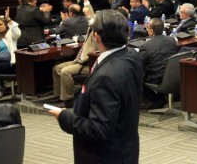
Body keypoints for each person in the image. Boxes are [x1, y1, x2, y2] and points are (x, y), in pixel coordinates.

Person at [48, 9, 144, 164]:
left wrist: (64, 116)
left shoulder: (106, 77)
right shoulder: (131, 56)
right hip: (125, 147)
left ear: (96, 36)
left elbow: (98, 130)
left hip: (104, 156)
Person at [51, 3, 97, 107]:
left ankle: (68, 99)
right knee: (56, 68)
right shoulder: (90, 30)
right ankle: (58, 95)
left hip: (86, 63)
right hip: (79, 59)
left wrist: (88, 12)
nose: (89, 18)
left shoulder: (98, 33)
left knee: (65, 72)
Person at [139, 18, 178, 109]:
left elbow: (138, 63)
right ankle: (160, 98)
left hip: (156, 78)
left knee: (136, 76)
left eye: (148, 28)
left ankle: (157, 100)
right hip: (172, 75)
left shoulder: (145, 46)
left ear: (152, 30)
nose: (147, 30)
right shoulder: (172, 40)